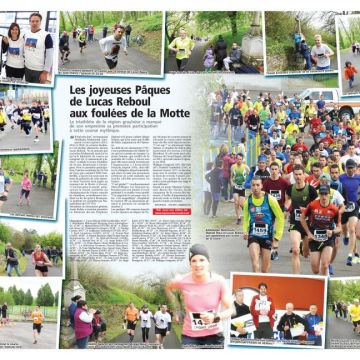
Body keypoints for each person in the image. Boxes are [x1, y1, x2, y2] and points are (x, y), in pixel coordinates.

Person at [165, 243, 232, 348]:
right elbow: (168, 288)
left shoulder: (219, 281)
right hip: (190, 336)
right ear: (190, 263)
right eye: (194, 261)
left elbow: (230, 310)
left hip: (214, 336)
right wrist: (175, 309)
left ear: (208, 262)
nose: (197, 264)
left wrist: (215, 317)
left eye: (202, 260)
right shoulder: (182, 280)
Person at [243, 176, 284, 273]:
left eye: (258, 185)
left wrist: (277, 238)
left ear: (262, 186)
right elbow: (246, 218)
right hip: (253, 234)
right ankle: (255, 282)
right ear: (251, 187)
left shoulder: (270, 199)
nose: (255, 187)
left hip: (267, 236)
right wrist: (245, 231)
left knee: (265, 270)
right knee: (255, 261)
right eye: (253, 185)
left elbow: (280, 218)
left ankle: (262, 284)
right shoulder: (248, 201)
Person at [300, 184, 341, 275]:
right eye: (322, 194)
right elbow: (302, 218)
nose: (323, 196)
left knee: (325, 265)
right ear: (319, 194)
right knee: (315, 270)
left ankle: (325, 283)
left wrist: (333, 231)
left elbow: (339, 227)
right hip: (314, 238)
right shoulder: (312, 205)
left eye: (325, 194)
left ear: (329, 195)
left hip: (328, 239)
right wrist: (308, 233)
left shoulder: (334, 209)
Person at [284, 164, 318, 274]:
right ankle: (296, 278)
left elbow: (317, 206)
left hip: (308, 225)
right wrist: (285, 209)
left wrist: (307, 209)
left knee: (306, 253)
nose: (298, 177)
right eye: (296, 175)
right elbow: (288, 200)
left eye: (300, 174)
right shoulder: (290, 188)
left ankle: (305, 245)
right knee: (295, 250)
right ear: (293, 175)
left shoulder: (311, 190)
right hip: (295, 223)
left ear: (304, 175)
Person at [339, 159, 360, 266]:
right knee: (344, 229)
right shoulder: (341, 178)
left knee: (352, 229)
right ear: (345, 168)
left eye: (352, 168)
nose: (351, 170)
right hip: (343, 207)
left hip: (354, 207)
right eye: (349, 168)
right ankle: (345, 236)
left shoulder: (358, 178)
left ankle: (350, 255)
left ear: (355, 168)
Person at [23, 13, 54, 84]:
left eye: (37, 21)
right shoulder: (26, 34)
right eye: (32, 21)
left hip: (39, 71)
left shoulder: (46, 35)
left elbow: (50, 55)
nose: (35, 23)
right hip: (27, 68)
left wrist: (45, 73)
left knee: (37, 93)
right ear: (29, 22)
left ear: (40, 22)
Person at [230, 153, 249, 225]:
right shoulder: (232, 167)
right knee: (236, 202)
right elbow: (231, 177)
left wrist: (247, 183)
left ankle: (247, 212)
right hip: (235, 186)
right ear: (236, 159)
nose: (239, 160)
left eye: (240, 159)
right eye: (238, 159)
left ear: (242, 159)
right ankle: (238, 218)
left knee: (241, 204)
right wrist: (231, 182)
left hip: (243, 187)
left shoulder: (246, 167)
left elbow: (250, 176)